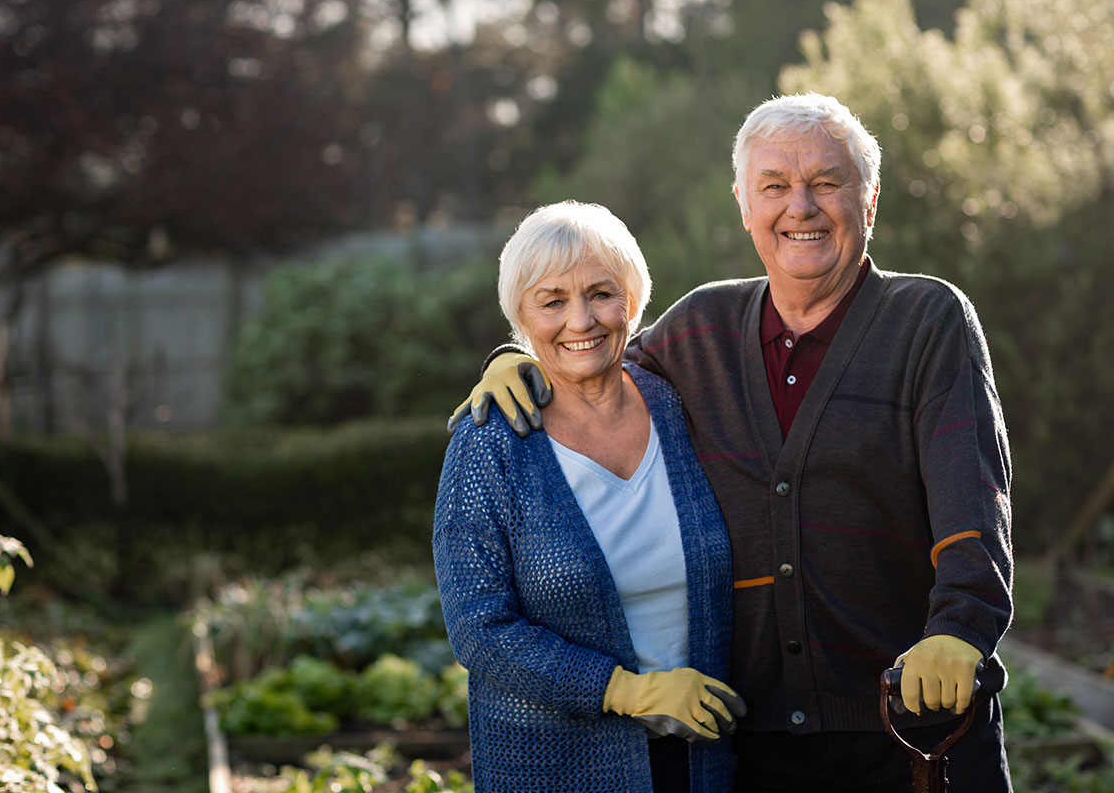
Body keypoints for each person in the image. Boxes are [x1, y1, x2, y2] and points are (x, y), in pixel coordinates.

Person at [450, 94, 1014, 791]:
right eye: (774, 187)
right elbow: (587, 356)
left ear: (868, 204)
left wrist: (960, 628)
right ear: (745, 207)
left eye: (826, 183)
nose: (799, 206)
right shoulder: (701, 331)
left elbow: (974, 498)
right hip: (755, 745)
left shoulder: (927, 320)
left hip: (913, 727)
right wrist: (514, 361)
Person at [433, 200, 745, 793]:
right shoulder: (489, 446)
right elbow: (479, 627)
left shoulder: (681, 406)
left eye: (601, 293)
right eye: (551, 302)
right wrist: (626, 690)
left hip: (709, 760)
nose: (581, 321)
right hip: (561, 768)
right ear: (521, 319)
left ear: (632, 299)